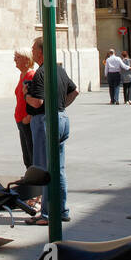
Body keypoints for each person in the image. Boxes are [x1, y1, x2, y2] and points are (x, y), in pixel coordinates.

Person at [25, 36, 79, 225]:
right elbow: (75, 91)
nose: (31, 52)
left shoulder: (41, 72)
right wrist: (61, 106)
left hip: (45, 121)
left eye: (33, 49)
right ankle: (62, 210)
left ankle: (47, 214)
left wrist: (27, 97)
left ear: (40, 51)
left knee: (45, 168)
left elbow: (38, 102)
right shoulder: (59, 69)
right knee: (59, 168)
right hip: (62, 118)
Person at [12, 49, 36, 171]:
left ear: (27, 59)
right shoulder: (22, 74)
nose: (14, 60)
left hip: (26, 121)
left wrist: (29, 117)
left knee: (31, 153)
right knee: (26, 154)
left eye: (18, 57)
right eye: (15, 57)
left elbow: (35, 98)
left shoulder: (30, 75)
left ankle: (34, 181)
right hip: (20, 119)